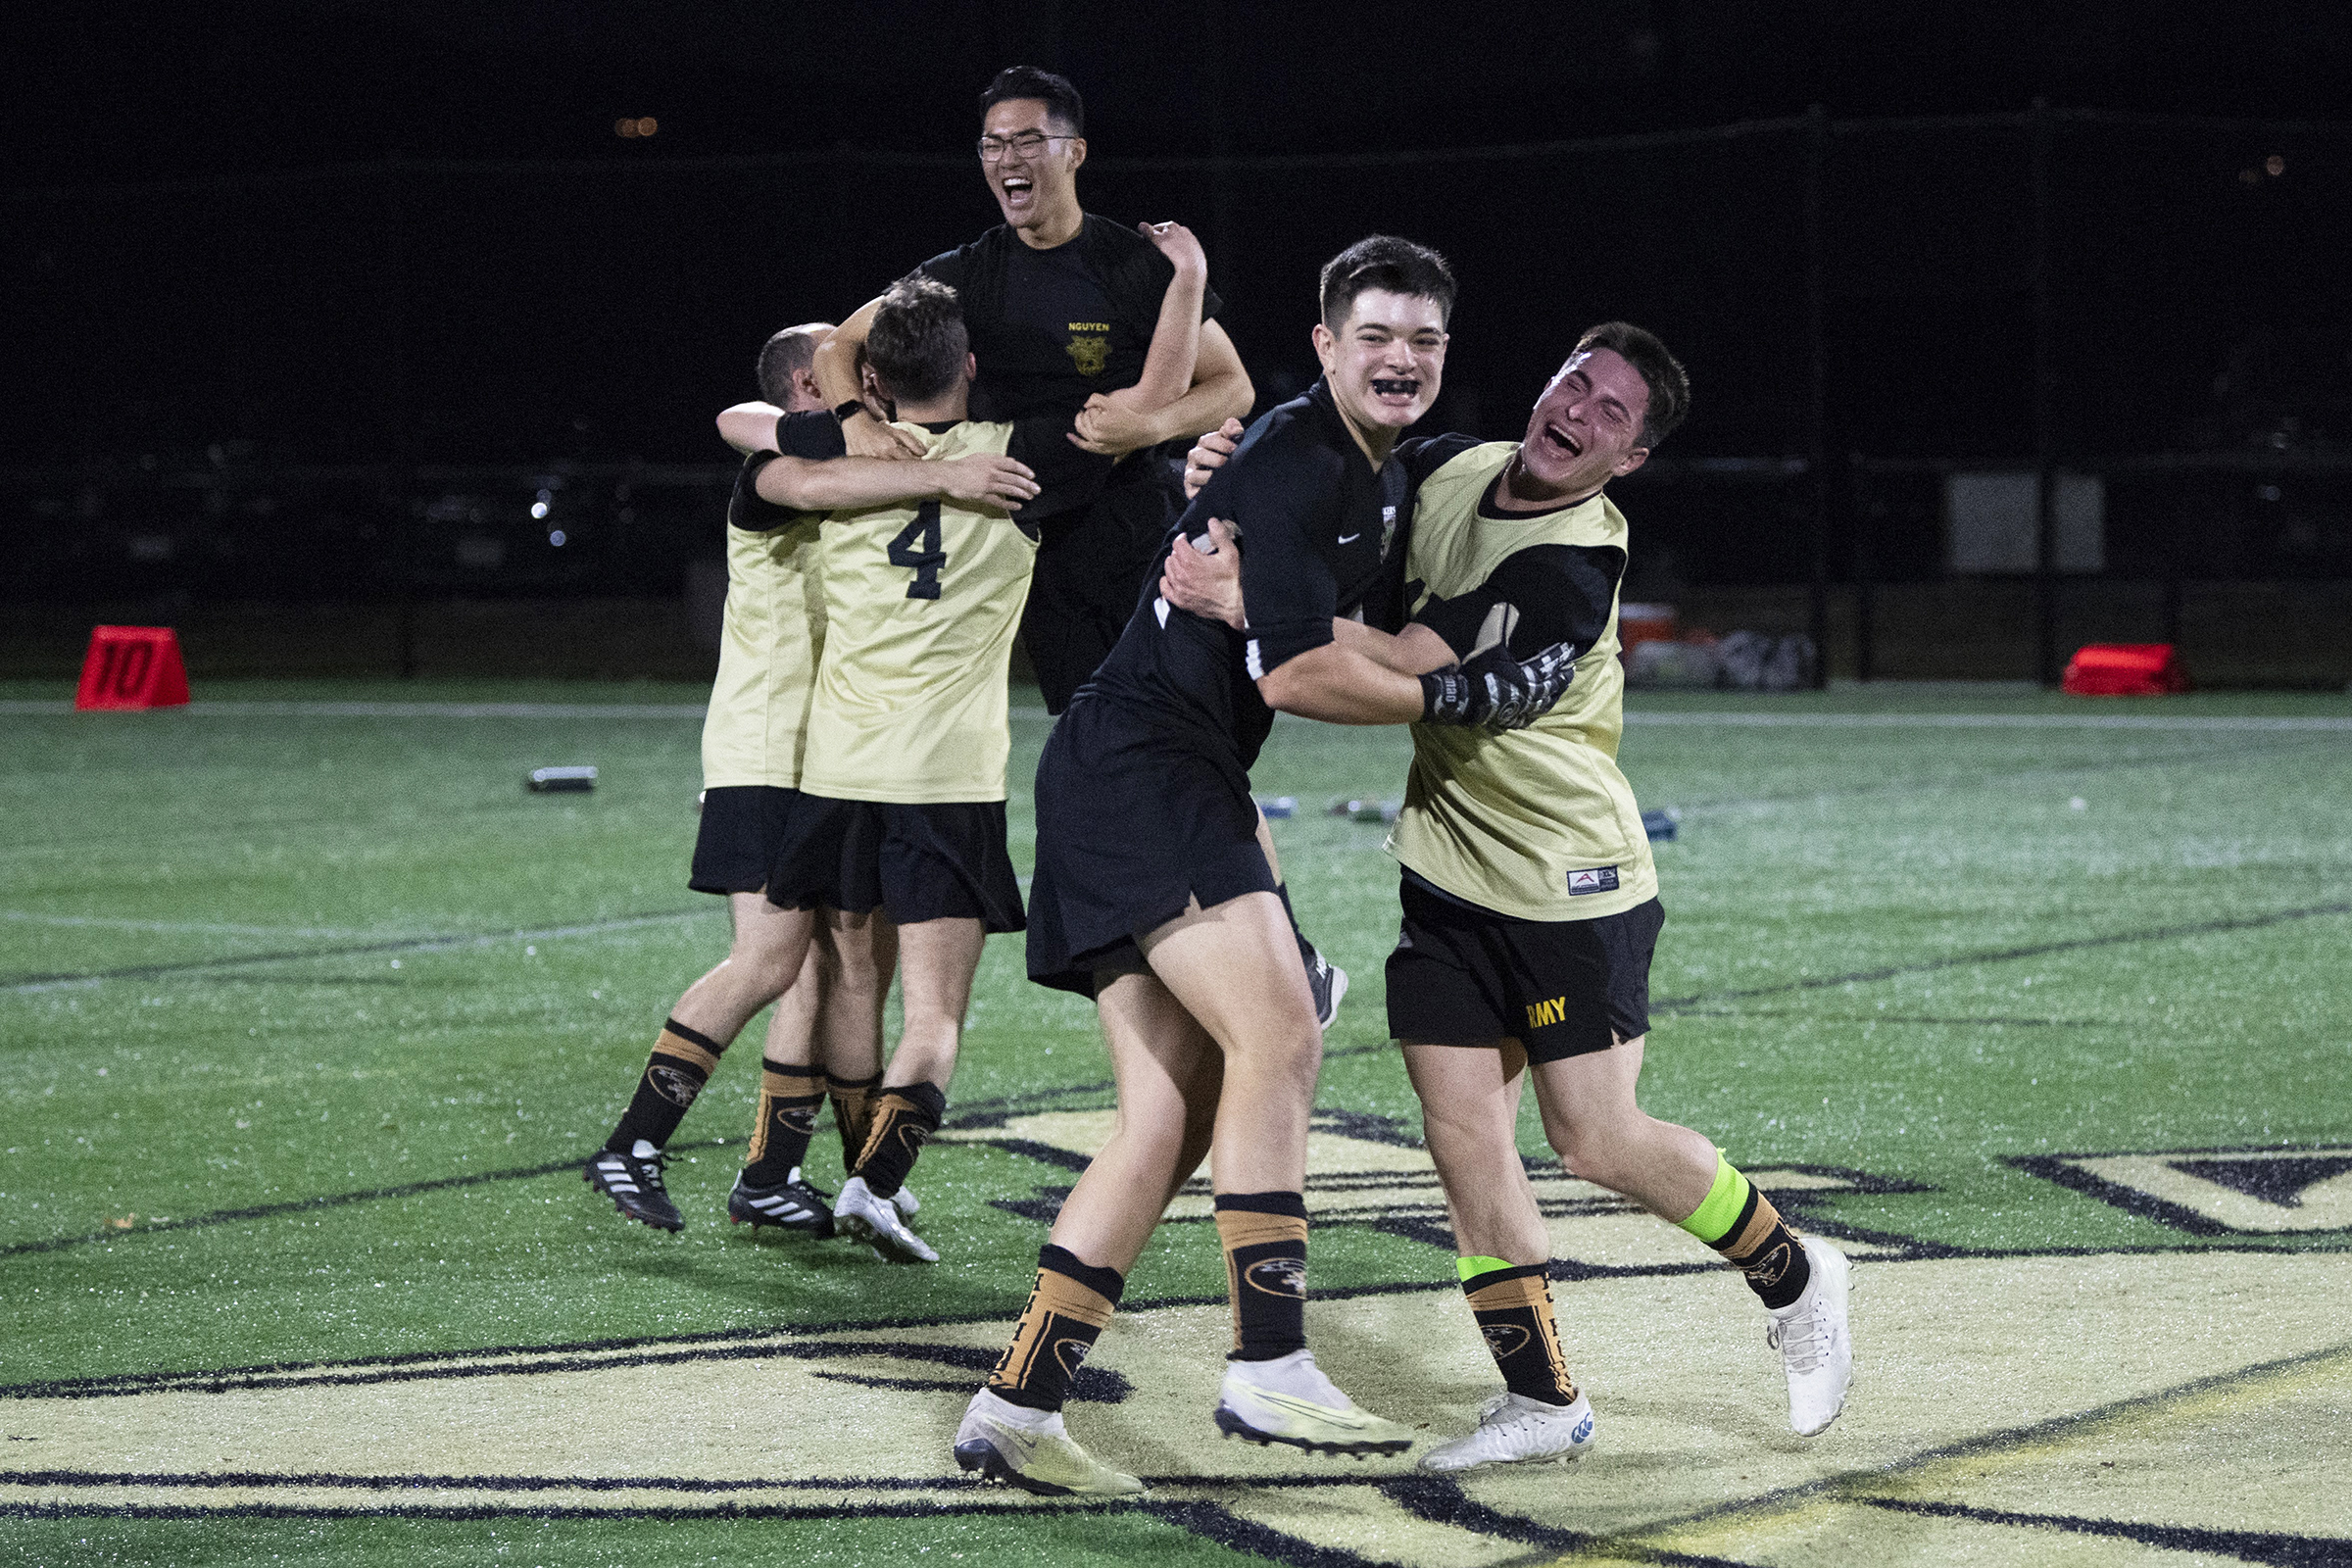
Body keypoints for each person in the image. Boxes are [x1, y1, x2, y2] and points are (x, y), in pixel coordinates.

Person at [952, 236, 1581, 1497]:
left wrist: (1254, 582)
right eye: (1377, 336)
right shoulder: (1298, 458)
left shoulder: (1367, 467)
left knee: (1167, 1120)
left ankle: (1015, 1402)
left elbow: (1319, 625)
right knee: (1283, 1034)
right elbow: (1297, 674)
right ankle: (1269, 1359)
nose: (1401, 359)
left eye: (1424, 340)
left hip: (1141, 769)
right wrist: (1454, 695)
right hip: (1150, 772)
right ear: (1325, 347)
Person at [1168, 323, 1856, 1471]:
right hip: (1447, 867)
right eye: (1574, 382)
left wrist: (1255, 608)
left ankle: (1792, 1271)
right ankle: (1543, 1400)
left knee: (1593, 1138)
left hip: (1568, 882)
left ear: (1628, 459)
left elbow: (1402, 667)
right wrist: (1224, 480)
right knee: (1467, 1144)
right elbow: (1334, 522)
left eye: (1613, 415)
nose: (1579, 412)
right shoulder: (1445, 465)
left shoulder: (1572, 567)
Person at [811, 66, 1348, 1030]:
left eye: (1026, 140)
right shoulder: (967, 270)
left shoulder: (1127, 265)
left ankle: (1286, 952)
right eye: (991, 145)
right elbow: (832, 345)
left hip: (1141, 537)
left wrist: (1142, 430)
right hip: (1040, 560)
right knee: (1107, 758)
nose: (1007, 160)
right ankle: (1173, 961)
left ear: (1073, 151)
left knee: (1190, 749)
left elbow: (1229, 388)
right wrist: (856, 418)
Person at [759, 246, 1207, 1263]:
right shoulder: (1018, 458)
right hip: (943, 778)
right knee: (937, 1017)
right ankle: (875, 1182)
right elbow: (1153, 398)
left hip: (836, 774)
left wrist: (855, 419)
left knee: (852, 979)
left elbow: (753, 430)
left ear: (874, 380)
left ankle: (828, 1166)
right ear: (972, 368)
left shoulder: (835, 452)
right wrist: (1183, 281)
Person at [585, 322, 896, 1236]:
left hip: (825, 759)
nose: (867, 383)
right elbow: (744, 421)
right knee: (768, 959)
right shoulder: (775, 470)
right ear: (811, 380)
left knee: (824, 968)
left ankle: (772, 1174)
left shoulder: (838, 458)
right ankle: (632, 1143)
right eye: (849, 371)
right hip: (765, 755)